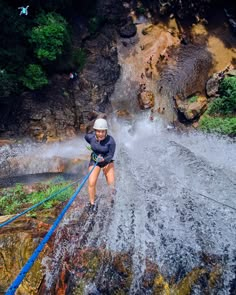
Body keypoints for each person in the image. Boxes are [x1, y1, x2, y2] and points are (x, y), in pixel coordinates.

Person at [85, 118, 116, 213]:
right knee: (91, 182)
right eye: (98, 131)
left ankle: (111, 201)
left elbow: (110, 155)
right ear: (95, 131)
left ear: (106, 131)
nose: (100, 134)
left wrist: (104, 159)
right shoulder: (90, 138)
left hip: (107, 161)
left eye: (103, 131)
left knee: (111, 185)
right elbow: (86, 136)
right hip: (95, 161)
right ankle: (92, 203)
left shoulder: (111, 141)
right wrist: (94, 153)